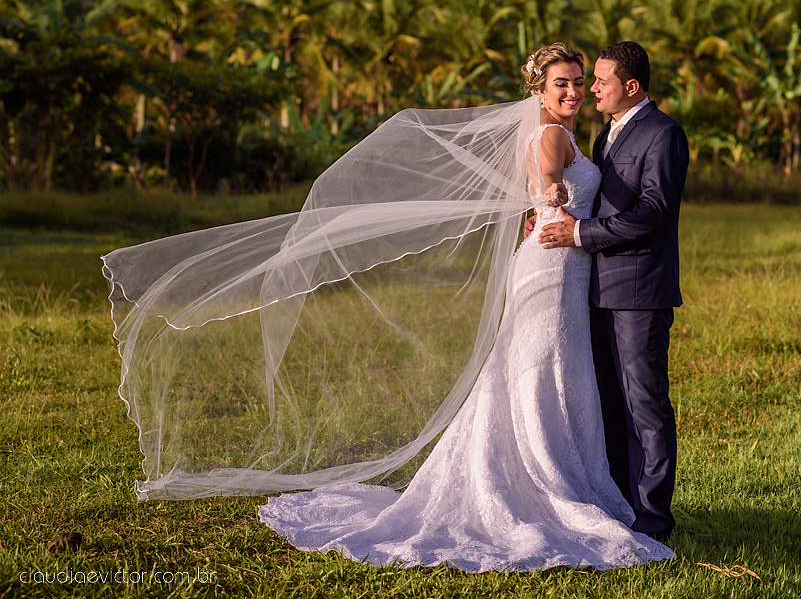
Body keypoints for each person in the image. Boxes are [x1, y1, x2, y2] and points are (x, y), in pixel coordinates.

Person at [255, 43, 674, 570]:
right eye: (562, 83)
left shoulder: (586, 133)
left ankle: (575, 481)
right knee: (538, 374)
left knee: (558, 376)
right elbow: (548, 181)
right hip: (554, 265)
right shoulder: (550, 134)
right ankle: (542, 485)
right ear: (538, 91)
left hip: (571, 266)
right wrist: (547, 203)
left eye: (579, 80)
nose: (576, 90)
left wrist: (548, 214)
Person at [538, 41, 688, 543]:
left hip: (640, 289)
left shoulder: (664, 134)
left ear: (631, 86)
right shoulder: (606, 134)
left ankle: (653, 519)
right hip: (596, 285)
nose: (589, 89)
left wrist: (579, 233)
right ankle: (620, 500)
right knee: (607, 399)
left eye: (598, 81)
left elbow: (653, 211)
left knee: (644, 403)